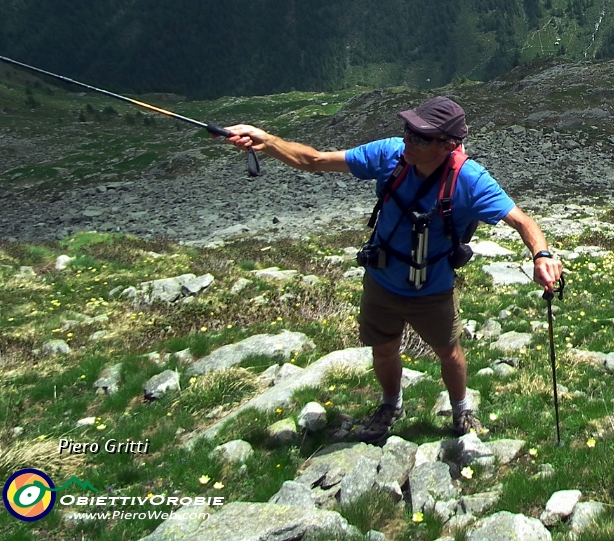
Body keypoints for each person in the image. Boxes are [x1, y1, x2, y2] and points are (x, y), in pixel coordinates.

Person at [224, 97, 563, 443]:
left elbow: (522, 220)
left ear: (447, 145)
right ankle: (390, 405)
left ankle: (461, 410)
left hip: (433, 290)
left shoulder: (471, 180)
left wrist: (542, 255)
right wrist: (264, 140)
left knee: (449, 351)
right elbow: (314, 161)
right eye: (408, 130)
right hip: (382, 281)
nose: (407, 140)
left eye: (419, 137)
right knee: (383, 348)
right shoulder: (390, 155)